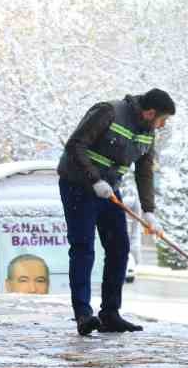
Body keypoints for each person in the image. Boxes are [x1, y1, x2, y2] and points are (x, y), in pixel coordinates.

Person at [57, 88, 176, 336]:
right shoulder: (108, 112)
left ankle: (110, 313)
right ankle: (83, 315)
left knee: (119, 247)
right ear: (150, 112)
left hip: (108, 190)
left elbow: (144, 172)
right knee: (83, 248)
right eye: (162, 119)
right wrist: (94, 179)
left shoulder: (148, 132)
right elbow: (75, 145)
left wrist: (149, 211)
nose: (163, 125)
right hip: (78, 184)